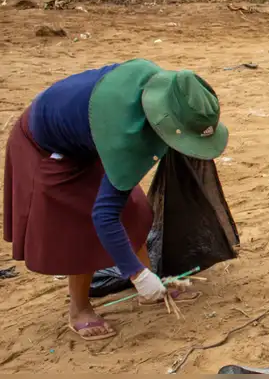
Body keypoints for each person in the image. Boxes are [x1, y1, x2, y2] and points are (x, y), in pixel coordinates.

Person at [3, 59, 230, 340]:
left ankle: (150, 290)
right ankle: (79, 309)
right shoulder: (123, 134)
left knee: (134, 210)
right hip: (46, 146)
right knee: (81, 220)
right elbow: (104, 215)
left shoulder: (162, 90)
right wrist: (136, 274)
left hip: (88, 135)